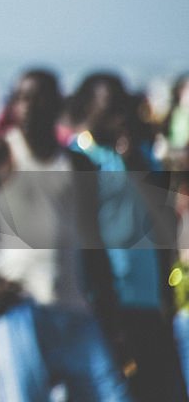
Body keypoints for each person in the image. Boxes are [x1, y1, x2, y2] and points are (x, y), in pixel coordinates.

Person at [0, 70, 130, 401]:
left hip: (76, 311)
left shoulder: (77, 163)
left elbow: (92, 246)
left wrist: (113, 318)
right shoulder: (3, 152)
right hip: (19, 309)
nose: (27, 106)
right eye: (21, 97)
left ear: (57, 104)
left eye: (37, 97)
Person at [68, 72, 187, 401]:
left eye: (121, 107)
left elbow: (163, 219)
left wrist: (167, 286)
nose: (117, 117)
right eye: (108, 110)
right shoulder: (79, 158)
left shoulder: (141, 157)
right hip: (105, 298)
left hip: (147, 295)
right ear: (88, 110)